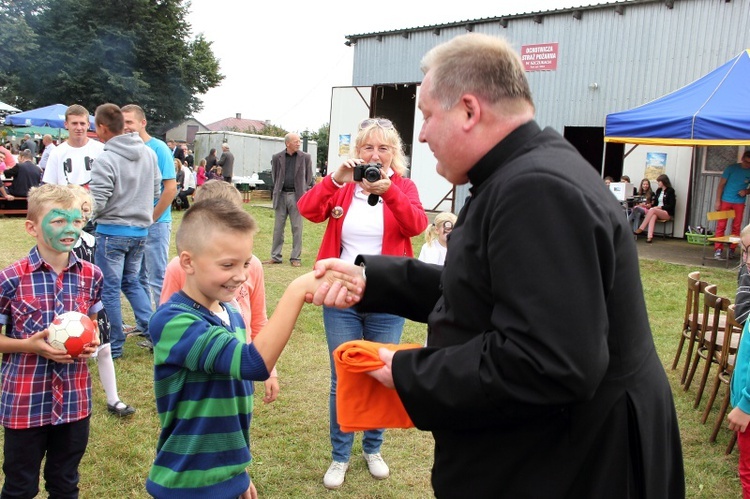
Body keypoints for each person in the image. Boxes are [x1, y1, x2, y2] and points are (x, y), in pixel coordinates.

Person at [309, 33, 684, 497]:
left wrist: (406, 372)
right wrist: (375, 280)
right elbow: (484, 289)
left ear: (469, 110)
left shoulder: (537, 190)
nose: (421, 134)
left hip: (576, 465)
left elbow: (548, 361)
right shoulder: (520, 173)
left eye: (426, 116)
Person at [145, 198, 353, 498]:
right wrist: (296, 291)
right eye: (227, 265)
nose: (242, 276)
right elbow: (252, 364)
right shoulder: (173, 322)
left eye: (246, 263)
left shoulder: (230, 314)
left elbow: (228, 412)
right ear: (187, 262)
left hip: (225, 476)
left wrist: (236, 474)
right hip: (188, 483)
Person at [297, 119, 428, 490]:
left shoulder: (404, 186)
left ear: (394, 154)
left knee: (381, 372)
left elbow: (417, 225)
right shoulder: (343, 187)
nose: (374, 155)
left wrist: (389, 192)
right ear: (357, 151)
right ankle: (340, 455)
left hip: (388, 296)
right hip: (341, 293)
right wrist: (335, 179)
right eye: (368, 148)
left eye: (383, 148)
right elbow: (308, 210)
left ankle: (373, 448)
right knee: (343, 375)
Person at [0, 184, 101, 498]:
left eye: (75, 220)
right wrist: (29, 345)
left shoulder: (91, 275)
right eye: (58, 220)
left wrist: (92, 342)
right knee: (20, 486)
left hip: (74, 402)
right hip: (25, 401)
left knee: (65, 483)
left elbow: (94, 325)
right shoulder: (11, 278)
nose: (68, 228)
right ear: (32, 227)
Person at [159, 179, 279, 403]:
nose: (240, 275)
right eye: (227, 265)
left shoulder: (252, 267)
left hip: (241, 371)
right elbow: (166, 324)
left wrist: (270, 370)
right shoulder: (178, 268)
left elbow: (259, 320)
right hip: (197, 379)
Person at [89, 103, 161, 359]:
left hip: (111, 233)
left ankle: (114, 345)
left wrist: (86, 217)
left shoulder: (106, 158)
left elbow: (96, 201)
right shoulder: (148, 154)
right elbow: (155, 193)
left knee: (109, 289)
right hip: (140, 232)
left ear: (102, 128)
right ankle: (157, 334)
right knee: (132, 283)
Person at [67, 184, 135, 417]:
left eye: (86, 213)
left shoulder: (92, 241)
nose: (83, 218)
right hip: (69, 310)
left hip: (94, 305)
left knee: (104, 350)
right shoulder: (60, 244)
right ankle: (72, 401)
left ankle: (113, 399)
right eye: (78, 212)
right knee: (73, 355)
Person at [121, 104, 178, 327]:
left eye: (129, 122)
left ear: (142, 123)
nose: (125, 127)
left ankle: (164, 328)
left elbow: (170, 189)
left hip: (156, 223)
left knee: (157, 278)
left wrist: (151, 218)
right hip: (133, 224)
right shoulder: (126, 149)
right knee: (136, 277)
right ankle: (145, 324)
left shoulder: (159, 148)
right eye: (122, 122)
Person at [267, 133, 313, 267]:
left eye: (299, 141)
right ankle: (276, 256)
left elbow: (308, 177)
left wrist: (304, 190)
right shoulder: (277, 157)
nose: (298, 143)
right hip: (281, 196)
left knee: (297, 227)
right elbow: (275, 176)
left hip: (297, 196)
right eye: (296, 141)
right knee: (278, 228)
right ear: (288, 144)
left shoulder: (305, 157)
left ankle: (295, 258)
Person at [42, 104, 104, 187]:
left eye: (82, 123)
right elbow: (50, 186)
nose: (79, 127)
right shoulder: (56, 153)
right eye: (74, 123)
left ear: (88, 125)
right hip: (65, 198)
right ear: (66, 124)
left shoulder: (101, 150)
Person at [714, 151, 750, 259]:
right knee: (721, 225)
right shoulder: (731, 168)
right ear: (742, 159)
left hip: (739, 202)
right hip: (726, 200)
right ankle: (718, 249)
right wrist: (717, 201)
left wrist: (746, 191)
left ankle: (732, 249)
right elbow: (721, 185)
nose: (747, 165)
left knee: (736, 226)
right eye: (746, 162)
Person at [634, 173, 676, 243]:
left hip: (667, 213)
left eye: (659, 181)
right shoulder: (658, 191)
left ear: (664, 182)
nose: (658, 183)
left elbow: (671, 205)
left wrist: (660, 207)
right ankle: (649, 237)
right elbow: (655, 203)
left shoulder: (670, 191)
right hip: (656, 211)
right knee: (653, 215)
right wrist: (648, 205)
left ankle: (641, 228)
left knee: (652, 210)